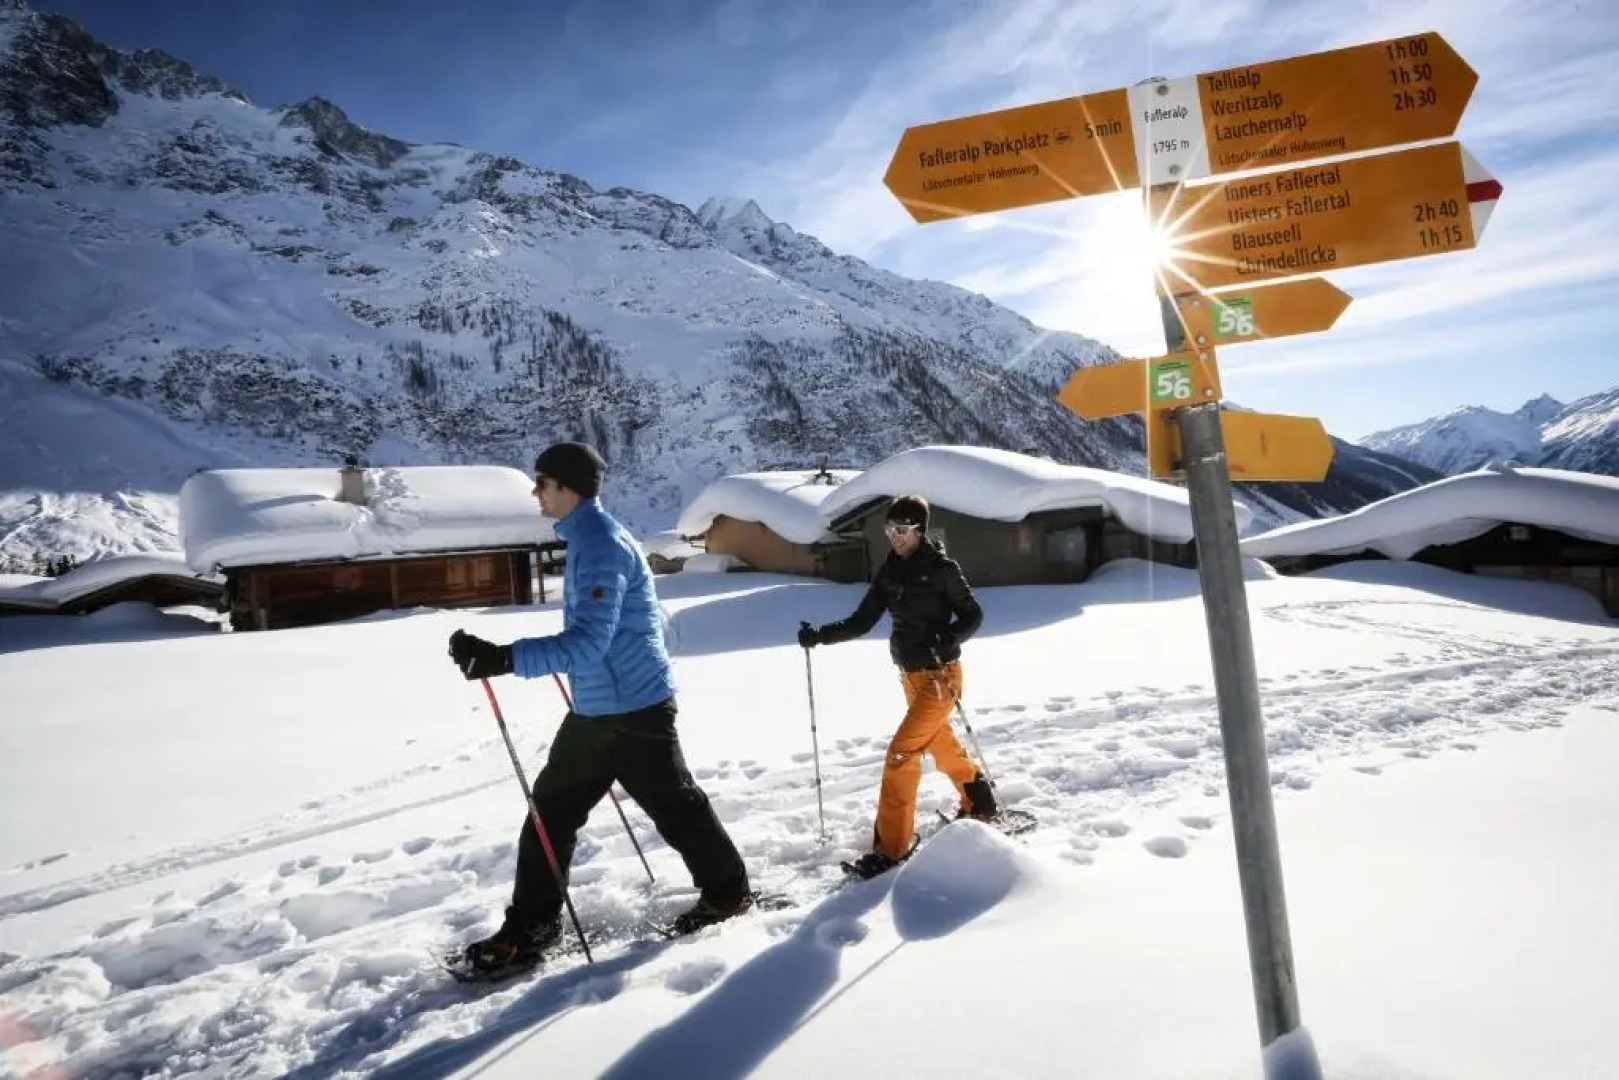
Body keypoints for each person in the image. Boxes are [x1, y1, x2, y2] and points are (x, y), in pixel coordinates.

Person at [447, 441, 753, 974]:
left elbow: (587, 642)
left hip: (634, 711)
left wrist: (503, 658)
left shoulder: (601, 544)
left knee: (675, 808)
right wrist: (507, 657)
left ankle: (728, 895)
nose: (536, 492)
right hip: (599, 708)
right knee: (551, 814)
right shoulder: (588, 537)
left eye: (541, 483)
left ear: (567, 487)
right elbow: (602, 638)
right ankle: (532, 927)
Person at [797, 494, 997, 879]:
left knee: (901, 755)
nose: (895, 537)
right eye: (890, 530)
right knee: (940, 744)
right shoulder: (889, 572)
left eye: (902, 531)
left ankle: (890, 850)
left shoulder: (943, 569)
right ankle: (980, 799)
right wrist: (819, 636)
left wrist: (951, 636)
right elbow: (861, 621)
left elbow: (973, 614)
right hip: (911, 676)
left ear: (920, 531)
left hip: (941, 676)